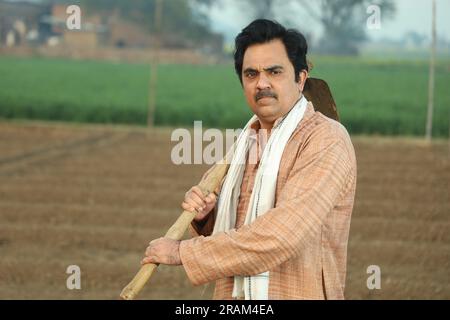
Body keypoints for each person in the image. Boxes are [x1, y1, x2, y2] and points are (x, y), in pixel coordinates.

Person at [141, 19, 357, 300]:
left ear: (301, 78)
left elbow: (281, 236)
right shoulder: (243, 143)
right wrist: (209, 217)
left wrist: (183, 251)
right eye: (251, 74)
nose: (262, 83)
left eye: (274, 72)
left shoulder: (326, 140)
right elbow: (240, 227)